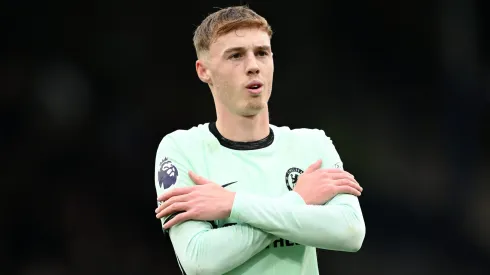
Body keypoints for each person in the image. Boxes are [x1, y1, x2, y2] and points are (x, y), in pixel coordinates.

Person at [153, 5, 365, 275]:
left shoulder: (313, 145)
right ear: (203, 70)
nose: (253, 66)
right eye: (236, 56)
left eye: (262, 53)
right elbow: (199, 260)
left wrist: (233, 205)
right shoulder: (182, 150)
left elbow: (349, 232)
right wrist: (298, 201)